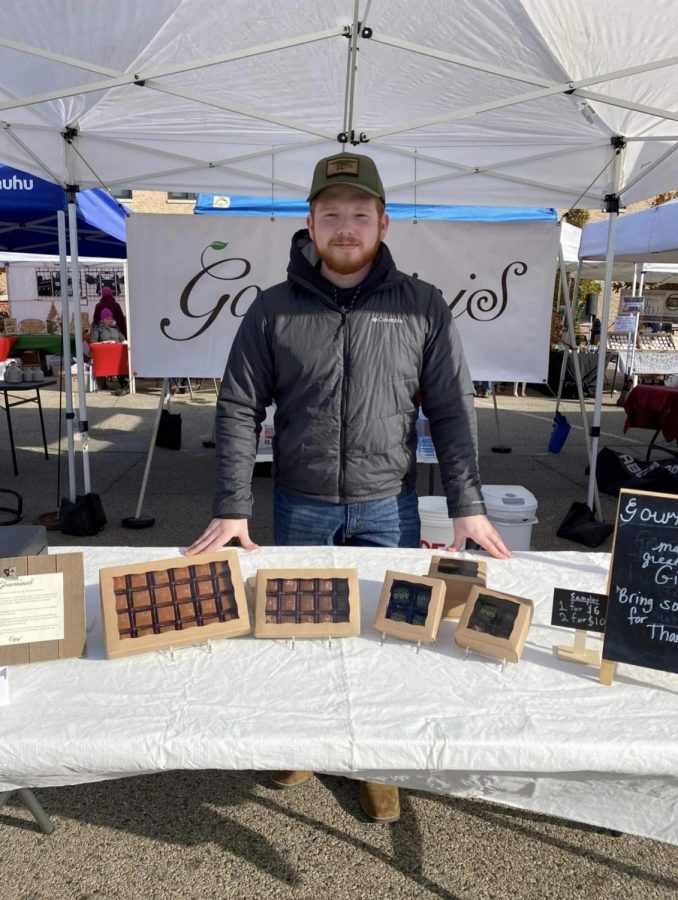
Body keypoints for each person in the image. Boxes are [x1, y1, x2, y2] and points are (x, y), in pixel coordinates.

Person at [187, 151, 511, 823]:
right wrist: (231, 506)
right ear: (309, 221)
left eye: (358, 215)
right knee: (299, 629)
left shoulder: (422, 306)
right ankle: (308, 739)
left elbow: (451, 408)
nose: (344, 227)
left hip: (386, 503)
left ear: (383, 223)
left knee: (387, 634)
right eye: (330, 213)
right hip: (299, 504)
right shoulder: (271, 310)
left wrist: (468, 508)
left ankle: (374, 762)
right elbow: (239, 405)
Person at [86, 307, 129, 395]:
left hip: (116, 352)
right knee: (111, 360)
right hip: (103, 354)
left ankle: (122, 381)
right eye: (107, 319)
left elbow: (123, 339)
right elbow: (93, 342)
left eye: (111, 318)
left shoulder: (115, 327)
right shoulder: (97, 327)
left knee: (121, 359)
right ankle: (102, 382)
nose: (110, 320)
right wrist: (105, 342)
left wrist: (125, 342)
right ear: (102, 319)